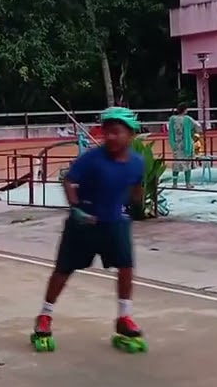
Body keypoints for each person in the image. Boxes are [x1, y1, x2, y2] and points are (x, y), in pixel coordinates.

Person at [31, 107, 146, 352]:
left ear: (131, 135)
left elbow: (136, 186)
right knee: (63, 270)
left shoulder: (137, 162)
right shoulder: (91, 159)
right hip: (83, 223)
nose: (111, 137)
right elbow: (69, 180)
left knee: (126, 266)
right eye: (107, 132)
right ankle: (45, 315)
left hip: (114, 223)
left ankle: (124, 317)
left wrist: (136, 208)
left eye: (116, 132)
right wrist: (75, 208)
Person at [167, 103, 201, 190]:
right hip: (187, 144)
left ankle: (175, 184)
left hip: (176, 144)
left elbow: (170, 131)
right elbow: (198, 127)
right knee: (187, 164)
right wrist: (192, 131)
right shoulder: (188, 119)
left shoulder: (172, 119)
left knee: (176, 164)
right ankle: (188, 183)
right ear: (185, 110)